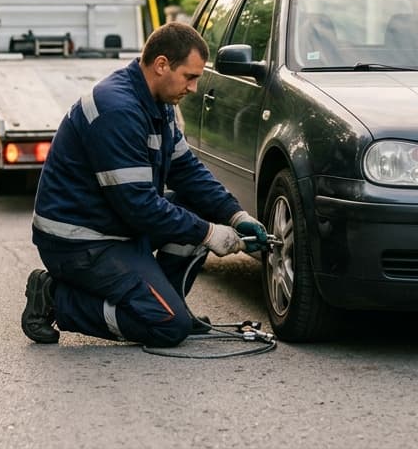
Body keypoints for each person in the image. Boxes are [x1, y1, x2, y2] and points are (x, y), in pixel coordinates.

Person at [21, 22, 269, 347]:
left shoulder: (158, 105)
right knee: (168, 327)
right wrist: (210, 233)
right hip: (80, 242)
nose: (194, 88)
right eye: (190, 77)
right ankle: (56, 298)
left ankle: (165, 303)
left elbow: (187, 171)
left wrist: (235, 216)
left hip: (114, 226)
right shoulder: (117, 110)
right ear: (162, 65)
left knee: (192, 205)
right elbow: (138, 206)